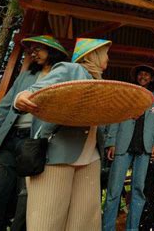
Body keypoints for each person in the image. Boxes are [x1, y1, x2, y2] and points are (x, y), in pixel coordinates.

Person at [14, 38, 112, 231]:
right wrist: (20, 98)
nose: (108, 58)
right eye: (106, 53)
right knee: (47, 220)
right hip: (58, 154)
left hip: (90, 158)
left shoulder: (99, 83)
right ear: (94, 54)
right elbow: (35, 92)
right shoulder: (70, 70)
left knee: (84, 224)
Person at [0, 35, 68, 231]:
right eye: (31, 50)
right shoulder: (26, 76)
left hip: (34, 143)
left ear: (52, 51)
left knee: (25, 198)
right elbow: (5, 107)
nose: (32, 53)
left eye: (38, 49)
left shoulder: (62, 78)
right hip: (9, 139)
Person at [103, 64, 154, 231]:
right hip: (123, 145)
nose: (143, 77)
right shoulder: (126, 94)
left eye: (147, 75)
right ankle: (107, 228)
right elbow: (116, 117)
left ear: (152, 79)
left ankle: (132, 228)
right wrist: (111, 142)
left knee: (138, 190)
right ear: (136, 77)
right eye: (141, 74)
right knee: (114, 191)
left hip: (144, 148)